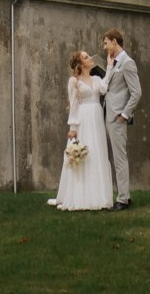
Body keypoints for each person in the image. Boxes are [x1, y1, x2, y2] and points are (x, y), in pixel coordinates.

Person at [53, 50, 114, 211]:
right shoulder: (74, 81)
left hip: (96, 118)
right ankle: (79, 195)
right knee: (83, 153)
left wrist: (108, 67)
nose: (90, 58)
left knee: (97, 153)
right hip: (83, 118)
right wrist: (73, 127)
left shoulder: (95, 79)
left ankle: (99, 195)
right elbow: (73, 104)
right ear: (80, 63)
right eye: (86, 57)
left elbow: (103, 89)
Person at [101, 28, 140, 209]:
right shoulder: (114, 62)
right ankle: (122, 195)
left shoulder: (127, 63)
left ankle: (123, 199)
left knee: (119, 158)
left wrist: (125, 114)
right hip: (108, 114)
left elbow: (136, 92)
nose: (104, 47)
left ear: (115, 41)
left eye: (106, 43)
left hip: (117, 116)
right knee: (114, 157)